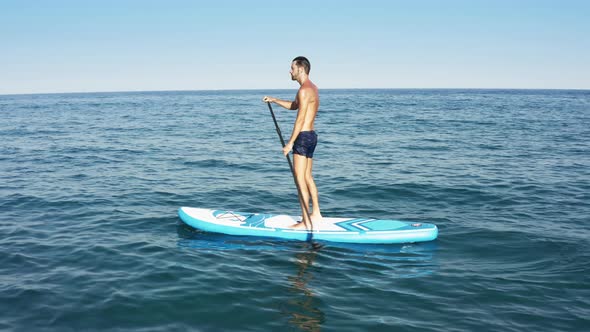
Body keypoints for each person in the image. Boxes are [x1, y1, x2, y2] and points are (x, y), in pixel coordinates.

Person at [263, 56, 322, 230]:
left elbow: (300, 118)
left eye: (292, 68)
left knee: (299, 180)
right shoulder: (313, 89)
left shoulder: (304, 90)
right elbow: (294, 106)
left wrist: (290, 143)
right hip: (311, 136)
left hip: (302, 138)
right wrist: (274, 100)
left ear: (301, 69)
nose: (290, 71)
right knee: (308, 177)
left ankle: (305, 222)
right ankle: (316, 213)